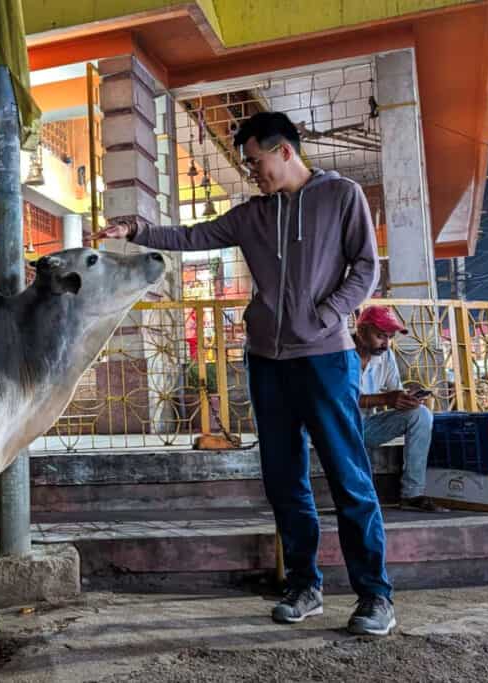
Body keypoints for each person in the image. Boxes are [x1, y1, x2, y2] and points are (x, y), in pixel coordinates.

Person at [96, 112, 395, 635]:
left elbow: (365, 267)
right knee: (284, 481)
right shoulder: (253, 215)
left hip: (325, 358)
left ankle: (375, 596)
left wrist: (327, 315)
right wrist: (138, 229)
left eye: (255, 161)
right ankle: (305, 586)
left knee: (348, 478)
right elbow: (194, 235)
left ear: (284, 151)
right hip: (266, 363)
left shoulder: (341, 196)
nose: (252, 171)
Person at [354, 306, 444, 512]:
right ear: (362, 330)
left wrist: (406, 399)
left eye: (389, 337)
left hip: (365, 425)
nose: (385, 343)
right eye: (380, 336)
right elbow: (337, 399)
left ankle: (412, 494)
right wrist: (386, 398)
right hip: (334, 428)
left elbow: (394, 391)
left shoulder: (385, 356)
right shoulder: (340, 353)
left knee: (420, 415)